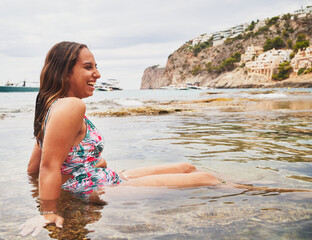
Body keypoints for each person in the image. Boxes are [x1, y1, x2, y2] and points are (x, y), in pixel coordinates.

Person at [20, 41, 222, 236]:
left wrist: (84, 167)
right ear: (65, 73)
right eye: (88, 67)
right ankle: (252, 190)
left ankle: (246, 185)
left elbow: (33, 167)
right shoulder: (71, 106)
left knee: (186, 167)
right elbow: (48, 166)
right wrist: (49, 212)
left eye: (96, 67)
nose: (97, 74)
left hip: (102, 178)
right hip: (99, 188)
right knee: (207, 179)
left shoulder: (51, 106)